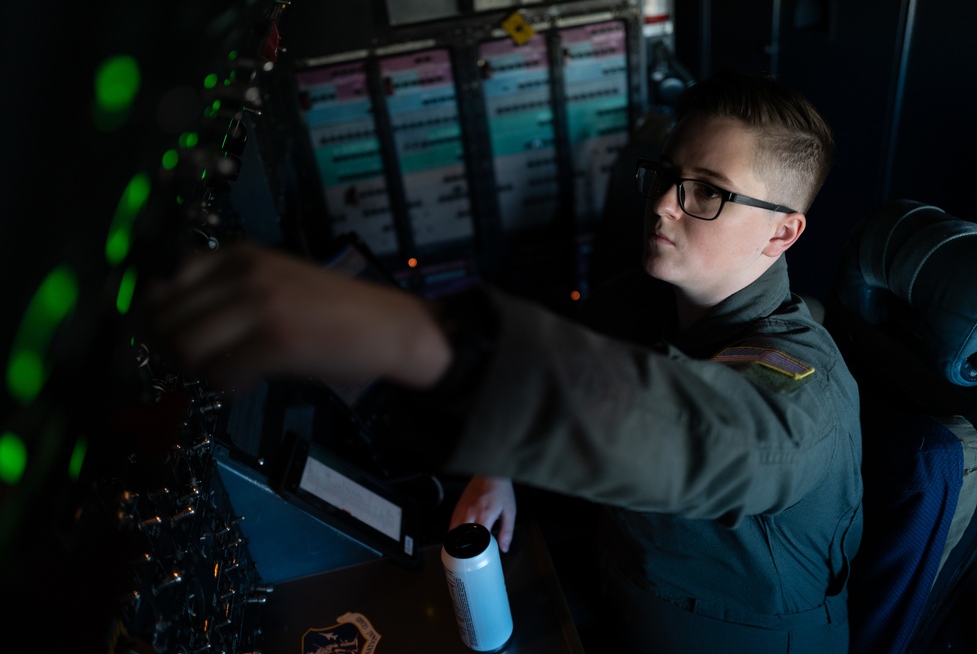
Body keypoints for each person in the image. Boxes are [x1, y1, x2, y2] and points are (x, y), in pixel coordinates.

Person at [148, 70, 862, 653]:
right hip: (617, 595)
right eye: (665, 175)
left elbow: (693, 435)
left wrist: (400, 335)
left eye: (707, 191)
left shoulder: (805, 388)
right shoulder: (644, 300)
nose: (663, 206)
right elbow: (579, 366)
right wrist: (501, 468)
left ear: (783, 231)